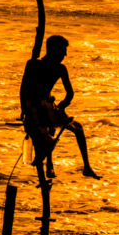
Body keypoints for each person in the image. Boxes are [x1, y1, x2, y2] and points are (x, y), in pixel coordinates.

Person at [19, 35, 101, 179]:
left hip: (31, 109)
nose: (65, 55)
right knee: (78, 128)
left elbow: (22, 90)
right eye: (62, 51)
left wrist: (23, 111)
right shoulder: (59, 68)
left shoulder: (32, 64)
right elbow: (70, 94)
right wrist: (62, 106)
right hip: (44, 109)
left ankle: (48, 165)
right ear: (52, 50)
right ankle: (86, 167)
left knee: (47, 130)